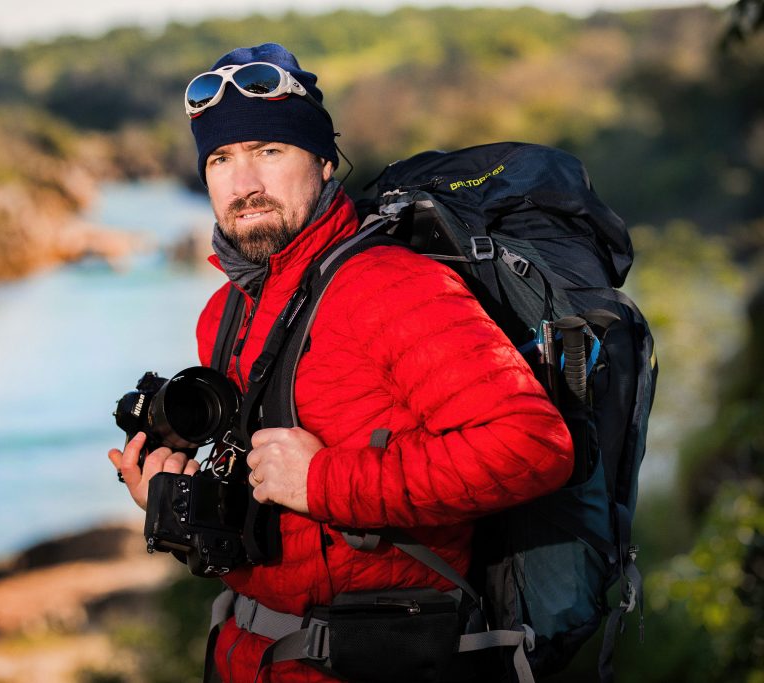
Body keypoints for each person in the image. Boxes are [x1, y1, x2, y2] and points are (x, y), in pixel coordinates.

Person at [108, 43, 574, 683]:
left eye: (270, 152)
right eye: (221, 160)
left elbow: (532, 447)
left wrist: (324, 481)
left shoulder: (391, 286)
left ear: (325, 163)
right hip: (244, 656)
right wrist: (176, 502)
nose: (245, 184)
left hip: (379, 657)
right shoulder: (224, 310)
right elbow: (270, 513)